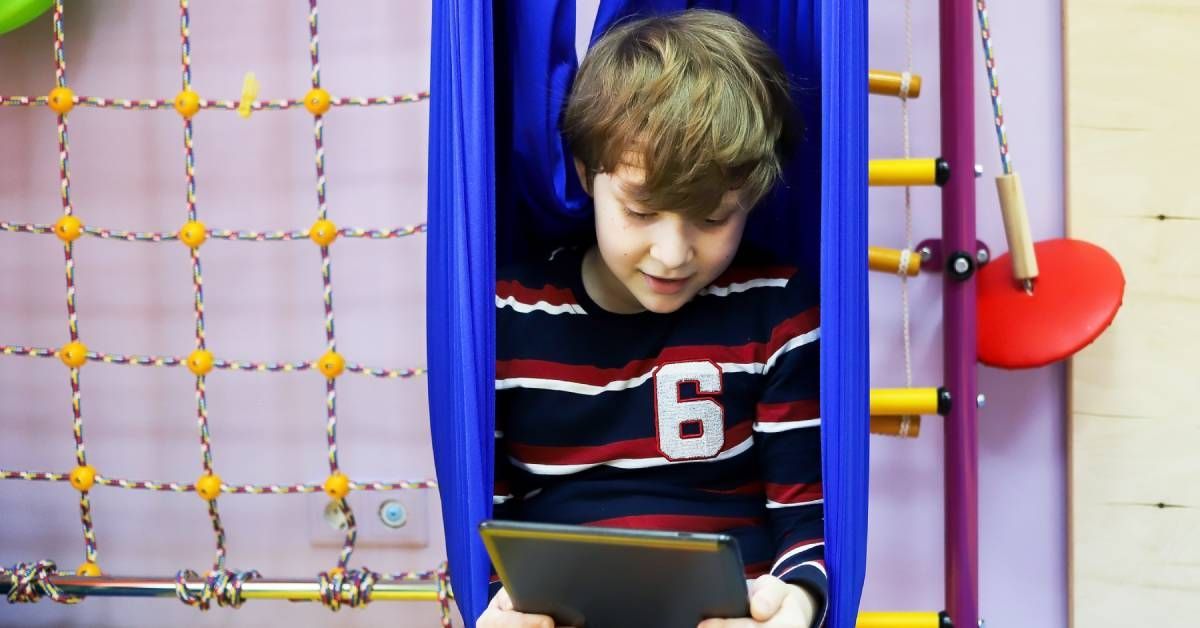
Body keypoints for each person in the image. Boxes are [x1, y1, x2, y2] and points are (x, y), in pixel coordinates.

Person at [482, 9, 825, 628]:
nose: (673, 254)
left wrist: (794, 607)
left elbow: (808, 525)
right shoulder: (509, 315)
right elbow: (490, 519)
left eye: (714, 218)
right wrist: (497, 605)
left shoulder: (775, 312)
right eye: (641, 211)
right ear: (588, 175)